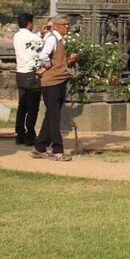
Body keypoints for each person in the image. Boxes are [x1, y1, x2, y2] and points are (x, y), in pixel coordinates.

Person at [31, 15, 78, 161]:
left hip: (60, 80)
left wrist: (68, 61)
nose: (67, 27)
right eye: (64, 24)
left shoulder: (61, 40)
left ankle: (40, 147)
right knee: (54, 116)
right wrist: (48, 65)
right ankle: (57, 149)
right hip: (51, 82)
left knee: (51, 114)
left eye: (68, 24)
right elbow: (43, 55)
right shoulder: (52, 39)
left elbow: (58, 60)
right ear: (56, 26)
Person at [12, 12, 43, 146]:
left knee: (22, 105)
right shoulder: (33, 37)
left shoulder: (16, 36)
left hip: (20, 73)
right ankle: (30, 135)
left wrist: (39, 34)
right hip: (31, 74)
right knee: (32, 107)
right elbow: (41, 48)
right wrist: (42, 34)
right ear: (29, 23)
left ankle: (20, 134)